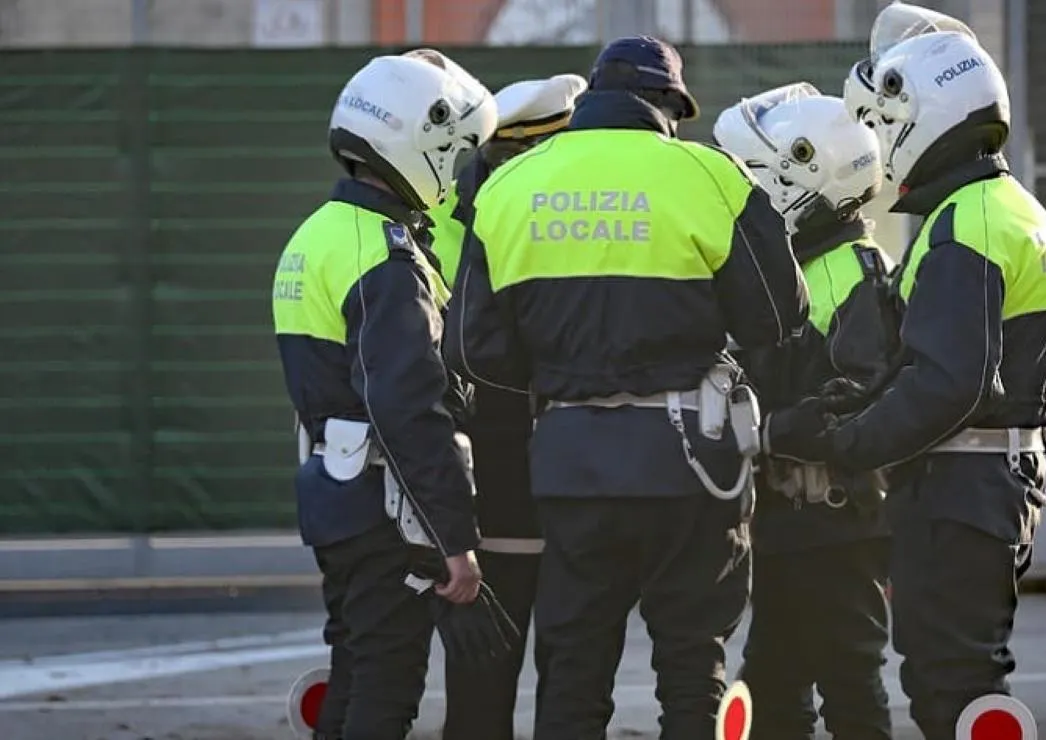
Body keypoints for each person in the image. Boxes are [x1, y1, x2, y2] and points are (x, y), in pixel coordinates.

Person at [444, 35, 807, 740]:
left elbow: (470, 350)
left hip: (569, 462)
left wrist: (559, 370)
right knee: (691, 663)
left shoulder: (509, 187)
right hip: (689, 460)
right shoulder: (712, 175)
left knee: (574, 666)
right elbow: (778, 317)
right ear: (668, 105)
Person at [765, 11, 1046, 740]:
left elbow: (948, 384)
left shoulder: (967, 223)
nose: (879, 141)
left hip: (961, 486)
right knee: (955, 677)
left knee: (953, 684)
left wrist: (846, 442)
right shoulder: (1005, 209)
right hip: (984, 481)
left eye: (883, 121)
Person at [271, 50, 517, 740]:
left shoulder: (315, 235)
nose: (458, 169)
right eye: (456, 150)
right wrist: (455, 541)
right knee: (388, 686)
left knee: (354, 668)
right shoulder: (387, 257)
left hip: (333, 494)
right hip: (385, 509)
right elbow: (410, 410)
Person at [712, 82, 895, 740]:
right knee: (772, 682)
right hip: (791, 518)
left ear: (802, 176)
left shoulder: (855, 273)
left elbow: (863, 395)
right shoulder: (801, 269)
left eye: (756, 179)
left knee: (847, 679)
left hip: (835, 521)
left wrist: (764, 432)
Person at [426, 72, 587, 740]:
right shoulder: (555, 215)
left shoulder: (443, 217)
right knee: (559, 671)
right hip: (520, 470)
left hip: (501, 473)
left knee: (507, 675)